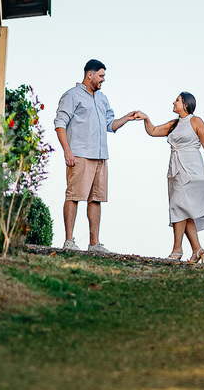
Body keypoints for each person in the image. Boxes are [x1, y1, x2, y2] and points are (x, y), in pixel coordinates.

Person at [54, 59, 141, 253]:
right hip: (80, 155)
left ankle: (94, 244)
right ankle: (69, 241)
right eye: (101, 76)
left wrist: (126, 118)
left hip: (100, 156)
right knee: (74, 196)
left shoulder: (103, 99)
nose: (103, 79)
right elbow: (60, 123)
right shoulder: (72, 95)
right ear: (90, 75)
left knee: (96, 199)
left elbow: (110, 125)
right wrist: (67, 151)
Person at [139, 92, 204, 263]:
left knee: (178, 205)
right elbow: (153, 131)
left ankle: (177, 250)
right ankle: (197, 249)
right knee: (184, 208)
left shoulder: (196, 121)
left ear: (186, 105)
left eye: (177, 100)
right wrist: (146, 118)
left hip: (191, 167)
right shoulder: (173, 124)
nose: (173, 102)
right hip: (175, 169)